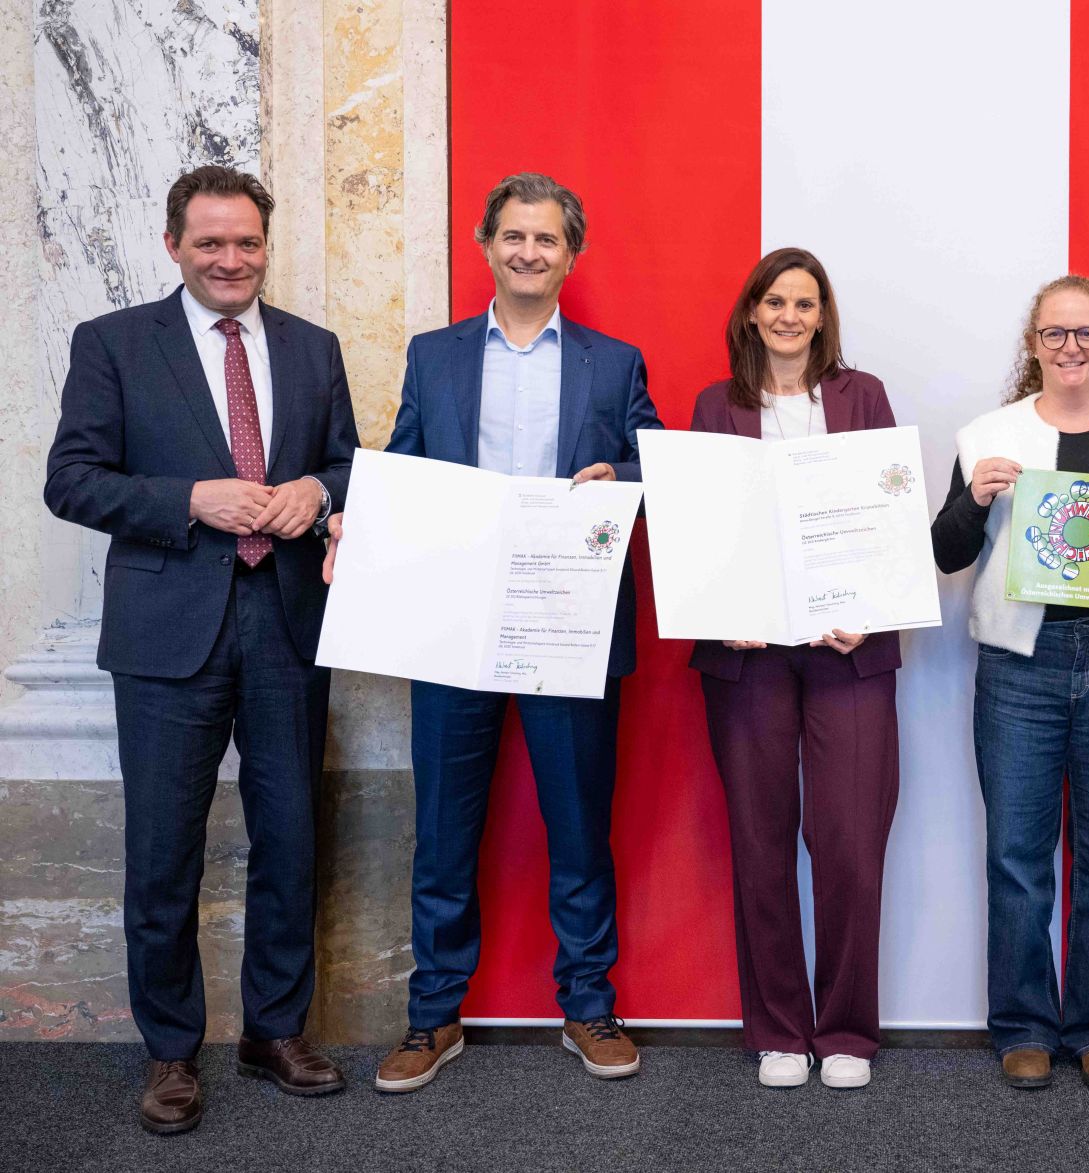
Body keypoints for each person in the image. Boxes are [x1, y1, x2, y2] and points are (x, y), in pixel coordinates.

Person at [323, 173, 662, 1091]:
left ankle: (588, 1005)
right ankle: (433, 1015)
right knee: (443, 829)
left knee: (580, 825)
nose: (528, 252)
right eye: (513, 236)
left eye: (546, 239)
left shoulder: (613, 360)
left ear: (570, 255)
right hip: (451, 620)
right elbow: (402, 463)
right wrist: (363, 519)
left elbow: (657, 464)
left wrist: (619, 473)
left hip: (569, 619)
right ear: (486, 245)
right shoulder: (433, 357)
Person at [44, 165, 359, 1133]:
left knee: (291, 840)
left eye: (247, 243)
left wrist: (318, 491)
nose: (231, 260)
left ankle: (274, 1030)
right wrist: (190, 499)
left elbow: (346, 457)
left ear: (269, 244)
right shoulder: (113, 344)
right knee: (162, 853)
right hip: (166, 632)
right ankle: (171, 1053)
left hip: (288, 623)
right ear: (174, 243)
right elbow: (72, 481)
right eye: (211, 242)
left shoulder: (313, 347)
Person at [932, 275, 1089, 1090]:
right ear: (1033, 346)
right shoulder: (985, 436)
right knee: (1016, 854)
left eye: (1085, 333)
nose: (1070, 348)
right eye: (1054, 334)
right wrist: (974, 498)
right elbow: (944, 552)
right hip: (1020, 667)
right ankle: (1023, 1024)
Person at [688, 247, 901, 1091]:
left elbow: (888, 514)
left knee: (850, 840)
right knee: (760, 838)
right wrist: (723, 607)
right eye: (774, 301)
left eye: (804, 303)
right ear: (750, 312)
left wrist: (872, 606)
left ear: (823, 316)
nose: (788, 315)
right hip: (749, 657)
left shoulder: (863, 396)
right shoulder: (716, 403)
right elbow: (701, 529)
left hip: (849, 649)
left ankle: (847, 1029)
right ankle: (779, 1028)